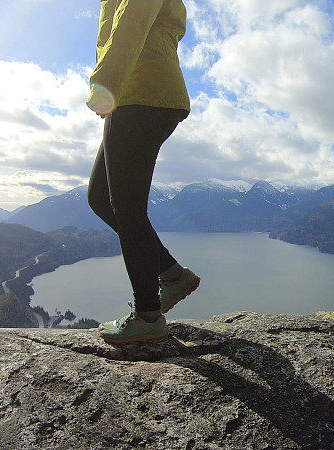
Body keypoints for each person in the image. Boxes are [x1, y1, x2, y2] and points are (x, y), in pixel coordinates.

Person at [86, 0, 200, 345]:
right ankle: (172, 275)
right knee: (101, 198)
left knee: (126, 207)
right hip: (145, 93)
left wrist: (105, 84)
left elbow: (130, 23)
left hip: (142, 93)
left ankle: (148, 316)